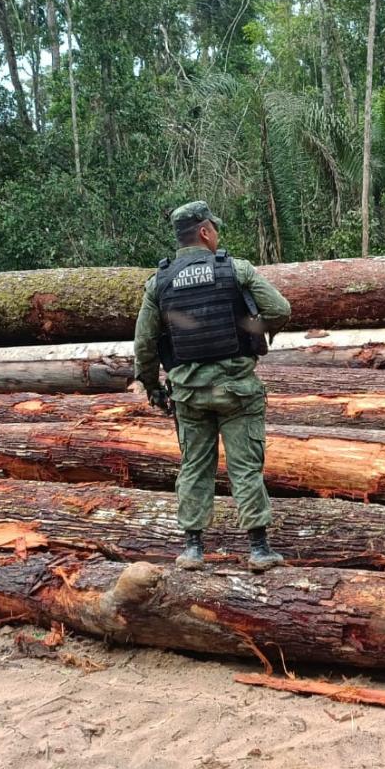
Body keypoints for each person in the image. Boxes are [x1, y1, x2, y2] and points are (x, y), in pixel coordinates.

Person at [133, 201, 292, 572]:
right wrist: (253, 333)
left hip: (188, 393)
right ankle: (258, 549)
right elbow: (280, 309)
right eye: (214, 229)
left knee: (194, 466)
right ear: (205, 232)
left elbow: (144, 343)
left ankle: (192, 549)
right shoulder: (235, 270)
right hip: (237, 390)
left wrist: (153, 386)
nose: (217, 234)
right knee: (246, 466)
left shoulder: (159, 282)